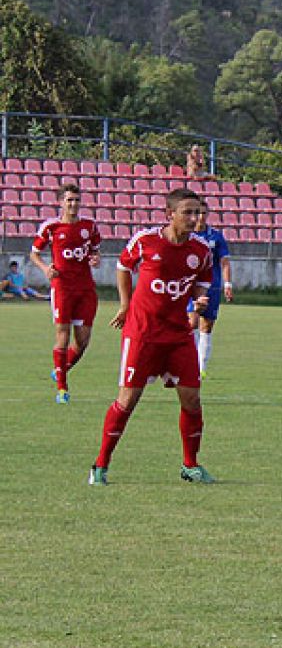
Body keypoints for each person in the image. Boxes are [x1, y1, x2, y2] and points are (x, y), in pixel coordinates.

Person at [89, 187, 215, 486]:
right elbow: (122, 266)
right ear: (169, 214)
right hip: (142, 334)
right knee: (128, 400)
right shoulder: (146, 241)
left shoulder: (200, 251)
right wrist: (125, 303)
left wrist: (197, 302)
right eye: (188, 212)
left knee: (192, 399)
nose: (195, 218)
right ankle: (100, 465)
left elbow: (203, 281)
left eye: (198, 212)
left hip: (178, 335)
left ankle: (190, 465)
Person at [30, 183, 102, 404]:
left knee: (82, 342)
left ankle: (61, 369)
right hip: (62, 288)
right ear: (60, 202)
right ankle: (62, 389)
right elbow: (34, 253)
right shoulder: (50, 228)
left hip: (86, 289)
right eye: (69, 200)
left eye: (76, 200)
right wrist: (45, 269)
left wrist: (95, 259)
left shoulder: (89, 227)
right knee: (63, 336)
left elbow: (95, 251)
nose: (73, 204)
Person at [187, 206, 233, 378]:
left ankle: (201, 368)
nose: (200, 216)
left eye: (203, 213)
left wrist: (227, 284)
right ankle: (189, 363)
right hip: (191, 286)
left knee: (206, 325)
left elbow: (225, 261)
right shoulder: (188, 236)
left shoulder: (215, 236)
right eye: (196, 212)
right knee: (191, 323)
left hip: (212, 286)